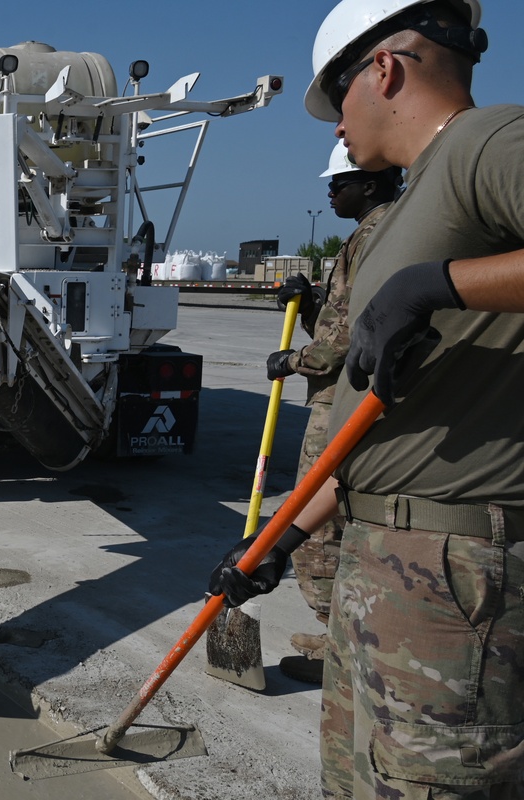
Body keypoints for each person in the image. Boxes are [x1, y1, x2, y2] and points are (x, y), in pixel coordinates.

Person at [210, 1, 524, 797]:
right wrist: (285, 534)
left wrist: (445, 284)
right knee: (356, 780)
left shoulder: (488, 143)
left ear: (383, 69)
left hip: (456, 572)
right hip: (378, 554)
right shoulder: (408, 210)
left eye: (335, 98)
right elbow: (381, 422)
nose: (335, 128)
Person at [266, 142, 401, 684]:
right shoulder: (373, 231)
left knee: (316, 527)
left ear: (369, 183)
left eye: (338, 183)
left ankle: (335, 645)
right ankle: (338, 632)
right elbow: (340, 323)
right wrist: (308, 306)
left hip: (343, 400)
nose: (329, 192)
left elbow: (361, 334)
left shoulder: (377, 233)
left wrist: (294, 360)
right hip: (342, 393)